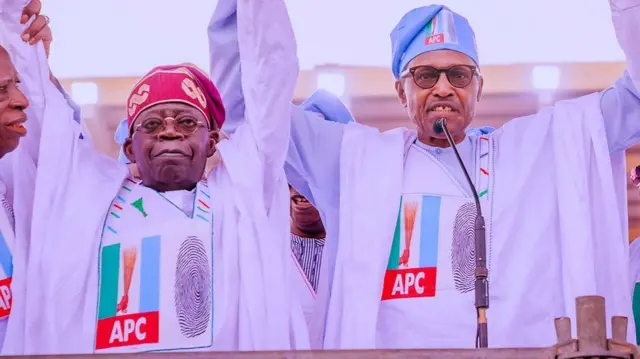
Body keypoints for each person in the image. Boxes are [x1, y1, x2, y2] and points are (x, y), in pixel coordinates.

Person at [212, 0, 640, 350]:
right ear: (402, 90)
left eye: (458, 75)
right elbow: (251, 110)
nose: (442, 88)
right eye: (424, 75)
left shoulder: (534, 151)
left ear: (478, 88)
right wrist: (246, 10)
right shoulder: (354, 161)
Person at [8, 0, 307, 354]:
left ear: (211, 142)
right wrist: (21, 42)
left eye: (186, 121)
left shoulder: (242, 195)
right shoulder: (91, 200)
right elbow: (48, 129)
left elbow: (269, 72)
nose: (169, 132)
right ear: (130, 147)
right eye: (151, 124)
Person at [0, 0, 70, 352]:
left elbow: (60, 158)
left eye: (18, 84)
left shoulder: (10, 195)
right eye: (3, 90)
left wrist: (37, 64)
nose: (21, 101)